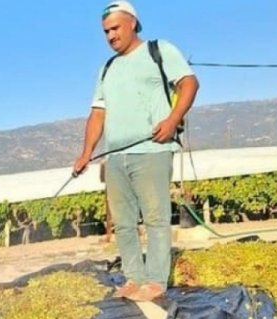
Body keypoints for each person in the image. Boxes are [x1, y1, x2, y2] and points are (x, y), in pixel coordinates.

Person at [73, 1, 199, 301]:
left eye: (115, 28)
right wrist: (85, 152)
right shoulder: (107, 69)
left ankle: (155, 281)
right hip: (115, 157)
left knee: (155, 218)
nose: (110, 36)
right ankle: (133, 278)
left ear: (132, 23)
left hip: (152, 150)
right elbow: (97, 114)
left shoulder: (159, 50)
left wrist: (172, 120)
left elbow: (189, 83)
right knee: (124, 223)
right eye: (105, 32)